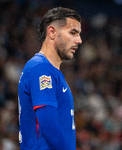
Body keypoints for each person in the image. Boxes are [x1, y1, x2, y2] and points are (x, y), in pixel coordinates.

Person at [18, 7, 82, 150]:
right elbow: (48, 125)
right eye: (73, 33)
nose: (79, 40)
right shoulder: (41, 69)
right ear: (52, 32)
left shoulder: (47, 70)